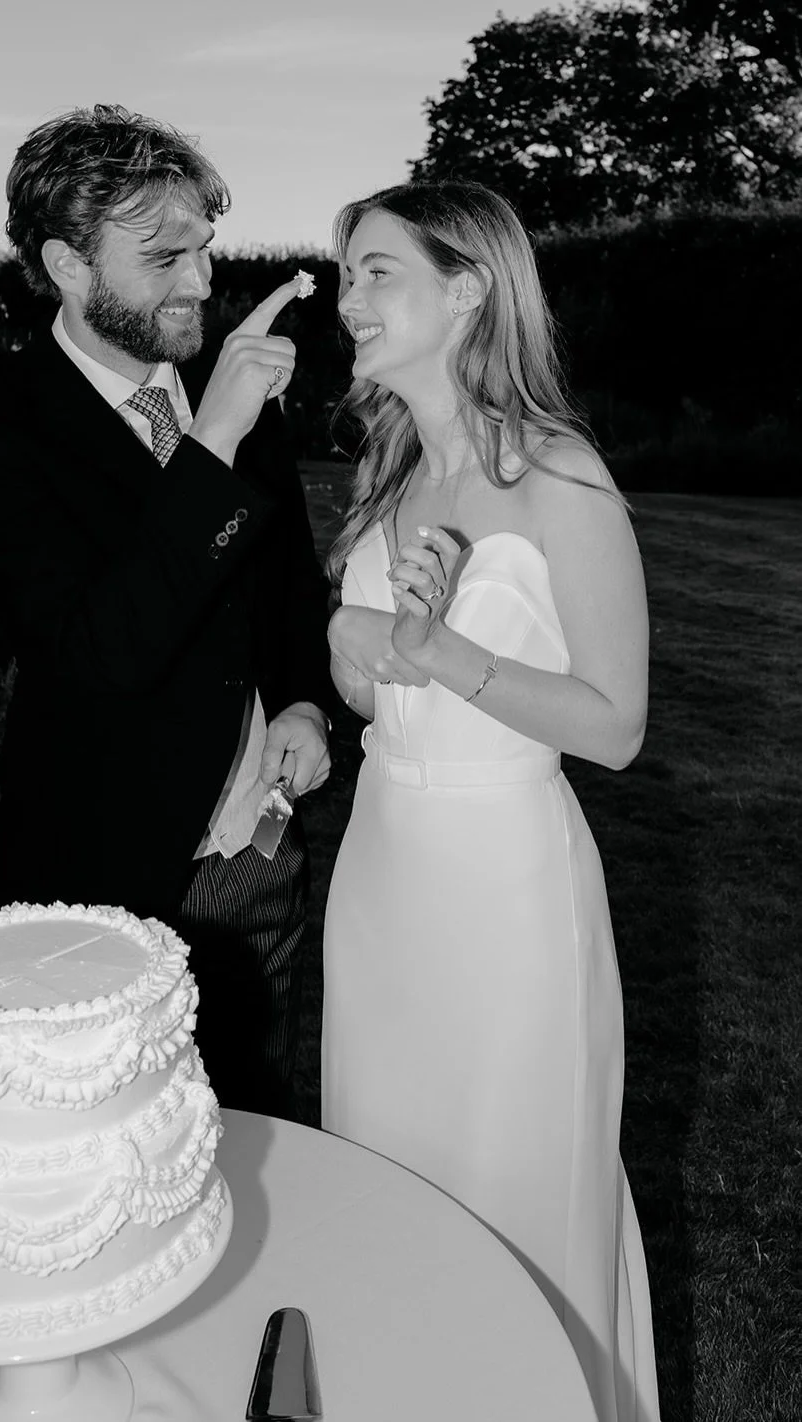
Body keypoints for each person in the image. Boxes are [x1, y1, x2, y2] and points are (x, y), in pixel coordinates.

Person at [0, 106, 332, 1121]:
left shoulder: (229, 386)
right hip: (107, 875)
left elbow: (284, 591)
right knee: (113, 1148)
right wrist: (213, 442)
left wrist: (308, 703)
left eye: (204, 249)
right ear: (67, 263)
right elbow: (103, 650)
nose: (199, 283)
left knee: (253, 1123)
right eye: (163, 257)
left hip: (255, 856)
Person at [320, 180, 660, 1422]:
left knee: (511, 1182)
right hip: (383, 874)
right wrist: (356, 648)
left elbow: (614, 726)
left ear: (465, 288)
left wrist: (438, 652)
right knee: (391, 1173)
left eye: (375, 272)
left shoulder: (559, 476)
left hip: (505, 888)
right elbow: (374, 698)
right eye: (346, 273)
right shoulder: (386, 470)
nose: (347, 299)